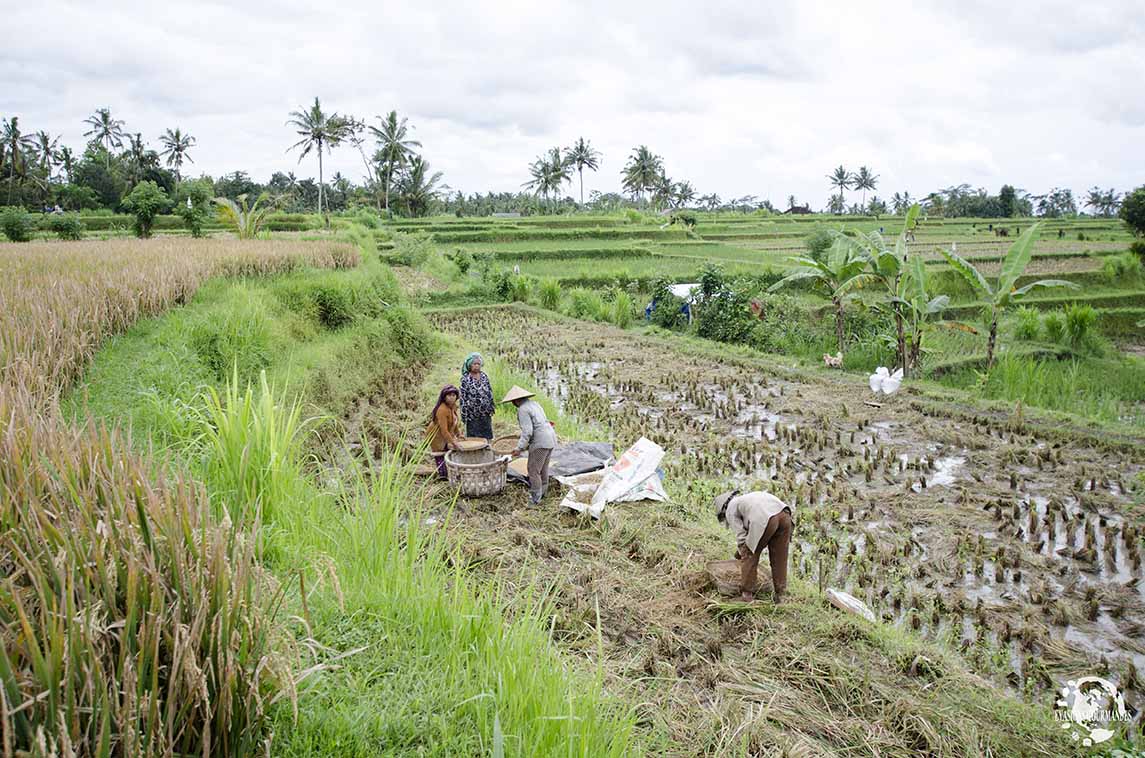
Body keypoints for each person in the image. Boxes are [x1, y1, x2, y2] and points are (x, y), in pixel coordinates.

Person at [713, 490, 794, 602]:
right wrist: (739, 552)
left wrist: (743, 551)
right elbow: (754, 537)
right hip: (784, 515)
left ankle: (747, 596)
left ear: (723, 509)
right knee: (779, 558)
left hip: (766, 518)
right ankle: (781, 595)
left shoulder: (730, 509)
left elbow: (742, 538)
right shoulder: (745, 499)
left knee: (749, 554)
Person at [502, 385, 557, 505]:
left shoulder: (523, 409)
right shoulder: (535, 404)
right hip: (550, 437)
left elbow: (528, 432)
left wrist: (519, 448)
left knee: (533, 470)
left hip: (541, 441)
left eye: (512, 402)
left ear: (516, 400)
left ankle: (535, 499)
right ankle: (544, 492)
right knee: (543, 468)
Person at [426, 385, 462, 478]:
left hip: (445, 433)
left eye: (454, 395)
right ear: (444, 397)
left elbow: (454, 421)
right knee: (440, 453)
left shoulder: (453, 406)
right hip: (436, 435)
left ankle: (452, 472)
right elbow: (444, 430)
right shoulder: (442, 410)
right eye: (449, 395)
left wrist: (458, 434)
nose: (452, 397)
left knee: (451, 449)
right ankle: (443, 475)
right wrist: (453, 441)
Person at [460, 352, 495, 440]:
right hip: (472, 413)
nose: (476, 366)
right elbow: (463, 398)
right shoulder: (465, 378)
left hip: (485, 412)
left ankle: (486, 448)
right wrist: (464, 415)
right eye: (474, 364)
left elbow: (489, 392)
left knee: (486, 434)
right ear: (469, 365)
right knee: (474, 436)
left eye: (478, 364)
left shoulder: (484, 376)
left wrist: (491, 407)